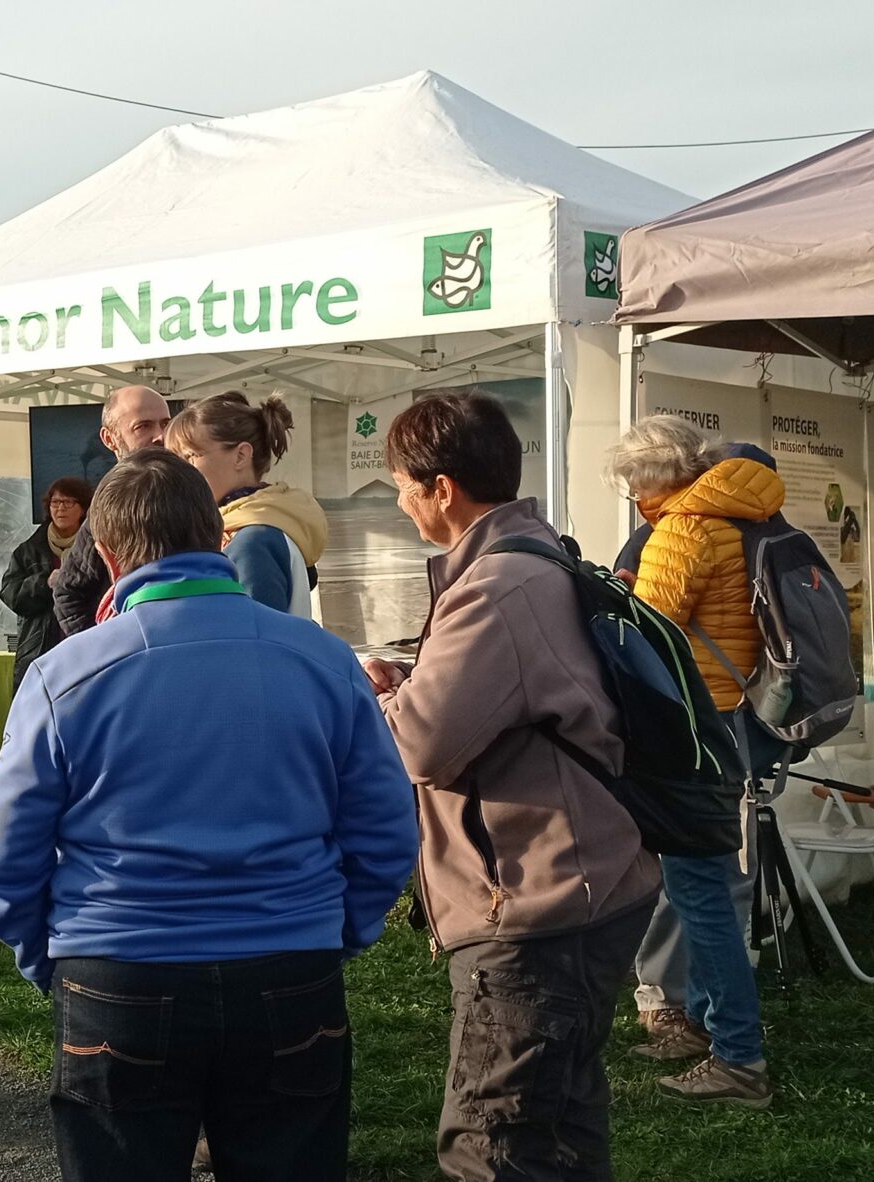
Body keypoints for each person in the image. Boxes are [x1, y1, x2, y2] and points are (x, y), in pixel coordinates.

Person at [0, 449, 416, 1182]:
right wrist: (334, 932)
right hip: (289, 962)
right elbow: (387, 828)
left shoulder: (66, 674)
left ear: (107, 557)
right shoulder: (324, 659)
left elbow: (3, 850)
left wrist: (45, 953)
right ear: (219, 537)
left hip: (118, 971)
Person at [360, 391, 658, 1182]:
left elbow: (421, 745)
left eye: (402, 486)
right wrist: (415, 682)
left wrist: (379, 697)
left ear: (442, 488)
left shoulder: (493, 588)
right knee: (560, 1126)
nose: (400, 502)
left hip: (535, 902)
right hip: (584, 879)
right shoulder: (538, 555)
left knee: (493, 1144)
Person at [603, 416, 783, 1107]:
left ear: (654, 474)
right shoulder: (736, 515)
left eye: (633, 481)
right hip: (735, 716)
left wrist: (617, 599)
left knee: (700, 893)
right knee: (708, 886)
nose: (632, 496)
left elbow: (646, 637)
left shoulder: (682, 529)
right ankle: (707, 1024)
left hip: (696, 727)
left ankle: (738, 1058)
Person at [165, 391, 328, 617]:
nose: (178, 470)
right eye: (174, 459)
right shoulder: (262, 522)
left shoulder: (253, 540)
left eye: (190, 456)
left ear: (241, 456)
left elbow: (253, 634)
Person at [52, 384, 171, 638]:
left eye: (165, 424)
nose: (160, 436)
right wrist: (106, 649)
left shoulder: (194, 489)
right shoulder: (107, 506)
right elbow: (68, 592)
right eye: (143, 426)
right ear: (110, 439)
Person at [0, 476, 89, 691]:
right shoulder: (29, 550)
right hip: (39, 650)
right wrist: (44, 582)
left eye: (68, 502)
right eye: (55, 502)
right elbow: (10, 595)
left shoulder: (94, 548)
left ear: (83, 508)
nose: (60, 508)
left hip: (84, 647)